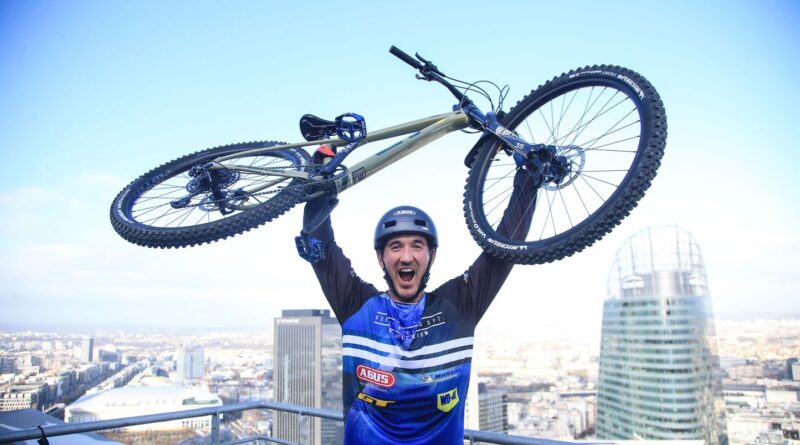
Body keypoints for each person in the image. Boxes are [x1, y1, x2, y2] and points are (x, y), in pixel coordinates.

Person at [300, 160, 537, 444]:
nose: (406, 256)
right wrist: (320, 178)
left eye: (417, 245)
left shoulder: (458, 306)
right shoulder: (356, 305)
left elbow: (503, 249)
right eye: (395, 246)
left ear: (431, 256)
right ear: (381, 258)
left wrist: (529, 180)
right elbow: (320, 244)